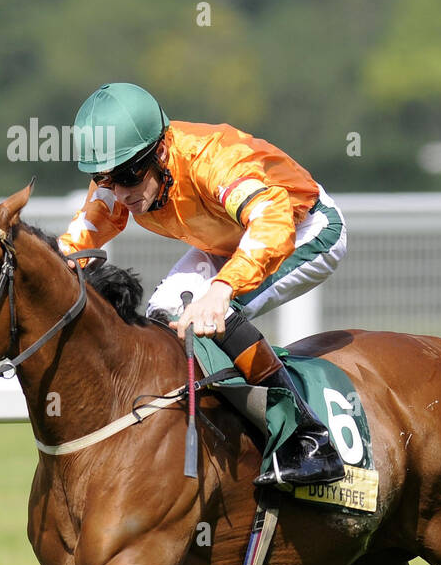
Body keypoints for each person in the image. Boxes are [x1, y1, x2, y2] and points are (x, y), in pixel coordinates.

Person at [57, 82, 348, 486]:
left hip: (303, 228)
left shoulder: (211, 160)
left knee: (216, 316)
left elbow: (271, 220)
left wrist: (222, 288)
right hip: (225, 240)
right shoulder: (122, 171)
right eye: (104, 180)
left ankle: (309, 441)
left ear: (160, 151)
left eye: (127, 176)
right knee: (164, 319)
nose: (120, 192)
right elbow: (79, 239)